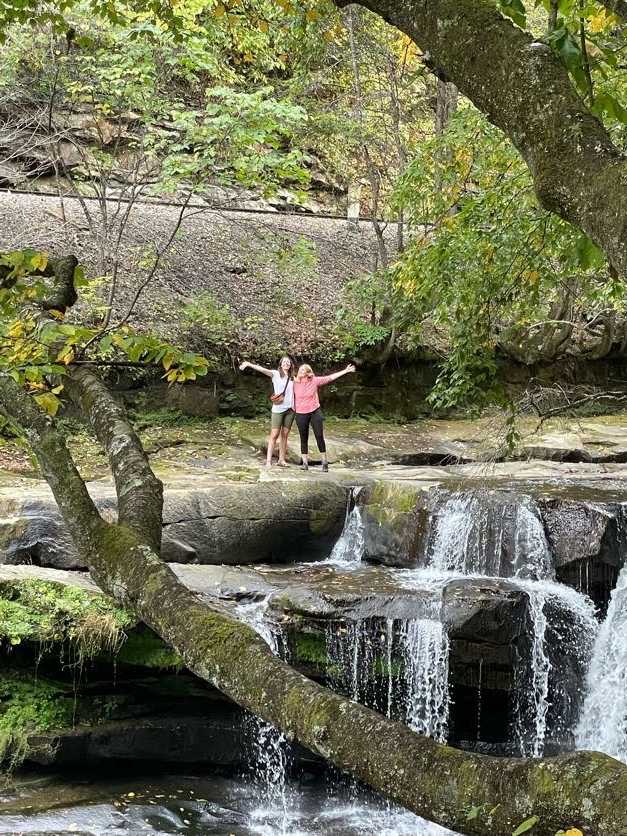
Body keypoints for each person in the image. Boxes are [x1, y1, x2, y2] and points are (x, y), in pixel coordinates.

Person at [293, 363, 356, 472]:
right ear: (298, 372)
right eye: (301, 369)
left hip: (314, 411)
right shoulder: (294, 383)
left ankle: (324, 462)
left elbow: (330, 377)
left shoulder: (314, 380)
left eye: (305, 369)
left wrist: (345, 371)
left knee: (319, 436)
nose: (302, 371)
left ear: (308, 372)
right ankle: (305, 463)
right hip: (300, 413)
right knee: (304, 438)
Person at [239, 356, 294, 467]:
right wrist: (249, 364)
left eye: (288, 362)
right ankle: (268, 461)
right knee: (274, 434)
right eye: (284, 362)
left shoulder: (293, 377)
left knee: (285, 435)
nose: (286, 363)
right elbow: (262, 369)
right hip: (278, 409)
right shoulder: (275, 374)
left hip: (291, 409)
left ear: (291, 365)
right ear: (281, 364)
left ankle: (281, 460)